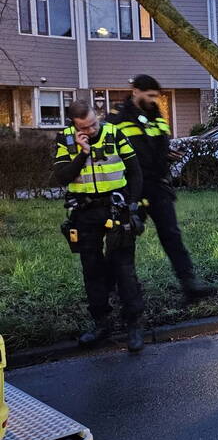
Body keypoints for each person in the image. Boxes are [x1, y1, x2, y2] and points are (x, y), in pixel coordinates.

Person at [106, 75, 216, 301]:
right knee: (123, 240)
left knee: (172, 235)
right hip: (131, 188)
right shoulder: (118, 118)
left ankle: (190, 284)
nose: (153, 100)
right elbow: (110, 152)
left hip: (157, 185)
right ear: (135, 91)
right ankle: (114, 287)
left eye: (156, 96)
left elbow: (157, 146)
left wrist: (167, 155)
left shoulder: (156, 116)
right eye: (150, 95)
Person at [53, 101, 147, 353]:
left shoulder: (115, 133)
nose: (92, 129)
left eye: (94, 123)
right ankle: (101, 324)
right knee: (92, 268)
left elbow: (135, 171)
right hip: (84, 212)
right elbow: (62, 177)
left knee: (124, 267)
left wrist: (133, 204)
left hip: (116, 208)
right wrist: (83, 152)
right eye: (85, 127)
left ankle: (134, 325)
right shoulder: (66, 140)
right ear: (75, 125)